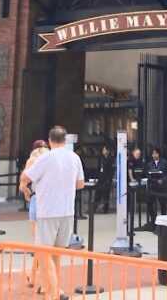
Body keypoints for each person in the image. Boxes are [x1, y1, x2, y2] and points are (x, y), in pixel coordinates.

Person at [21, 126, 85, 300]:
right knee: (56, 253)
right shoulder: (74, 158)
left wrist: (25, 187)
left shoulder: (45, 158)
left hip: (48, 210)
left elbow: (26, 177)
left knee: (43, 252)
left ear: (50, 141)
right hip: (67, 211)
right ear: (65, 141)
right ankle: (52, 293)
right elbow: (80, 184)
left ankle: (56, 290)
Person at [19, 140, 49, 291]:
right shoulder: (51, 158)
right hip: (51, 201)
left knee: (39, 243)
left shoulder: (32, 160)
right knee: (45, 244)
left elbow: (23, 182)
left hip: (37, 200)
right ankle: (34, 276)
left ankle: (43, 281)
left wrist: (26, 191)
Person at [145, 147, 167, 226]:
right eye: (153, 153)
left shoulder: (164, 162)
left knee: (163, 204)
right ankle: (153, 220)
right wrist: (155, 180)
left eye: (156, 153)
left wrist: (163, 180)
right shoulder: (149, 164)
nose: (154, 155)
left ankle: (164, 220)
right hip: (153, 185)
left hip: (162, 186)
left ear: (159, 154)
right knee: (149, 203)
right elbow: (148, 175)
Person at [94, 145, 115, 214]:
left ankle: (106, 208)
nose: (103, 151)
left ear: (108, 151)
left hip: (107, 179)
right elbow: (98, 168)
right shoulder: (101, 158)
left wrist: (109, 178)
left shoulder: (111, 160)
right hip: (101, 178)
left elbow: (111, 170)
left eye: (105, 150)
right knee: (98, 193)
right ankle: (94, 207)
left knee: (106, 195)